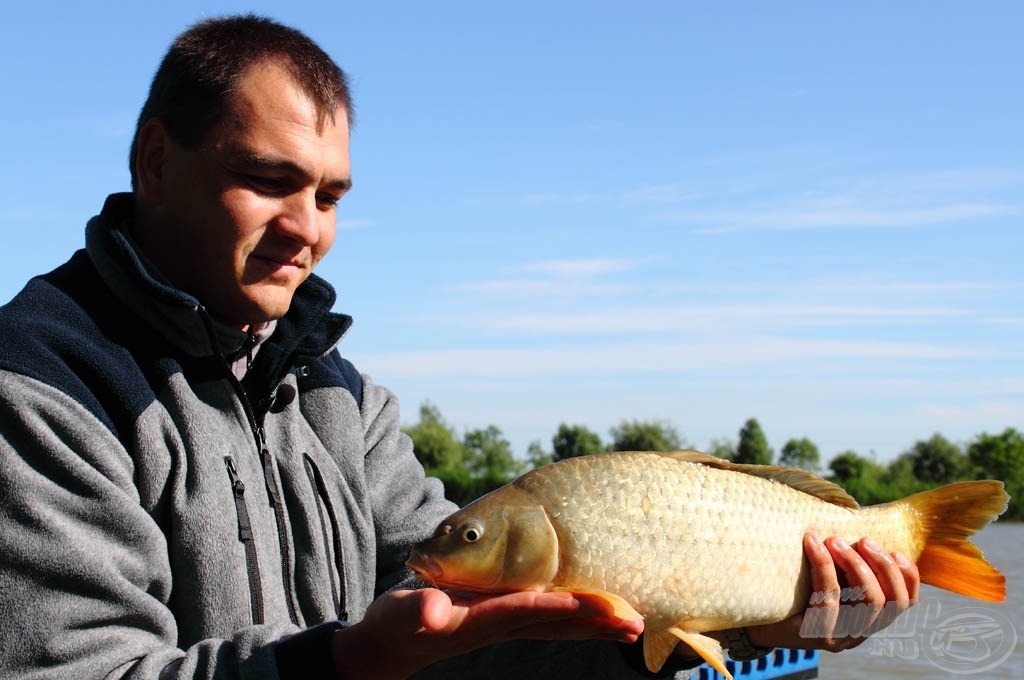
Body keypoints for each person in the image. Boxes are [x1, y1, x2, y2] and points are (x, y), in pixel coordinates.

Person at [0, 15, 919, 679]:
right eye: (266, 181)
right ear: (157, 162)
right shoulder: (41, 386)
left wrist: (765, 626)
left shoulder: (336, 394)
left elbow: (482, 638)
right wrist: (348, 661)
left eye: (329, 197)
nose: (304, 230)